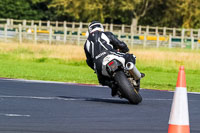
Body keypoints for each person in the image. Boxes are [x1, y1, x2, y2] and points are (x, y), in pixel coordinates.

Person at [84, 21, 144, 96]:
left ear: (90, 30)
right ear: (100, 27)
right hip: (110, 54)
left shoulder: (86, 44)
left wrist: (95, 69)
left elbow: (89, 61)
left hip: (98, 64)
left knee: (102, 80)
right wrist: (125, 49)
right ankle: (133, 73)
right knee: (131, 56)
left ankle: (114, 86)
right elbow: (119, 44)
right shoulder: (105, 34)